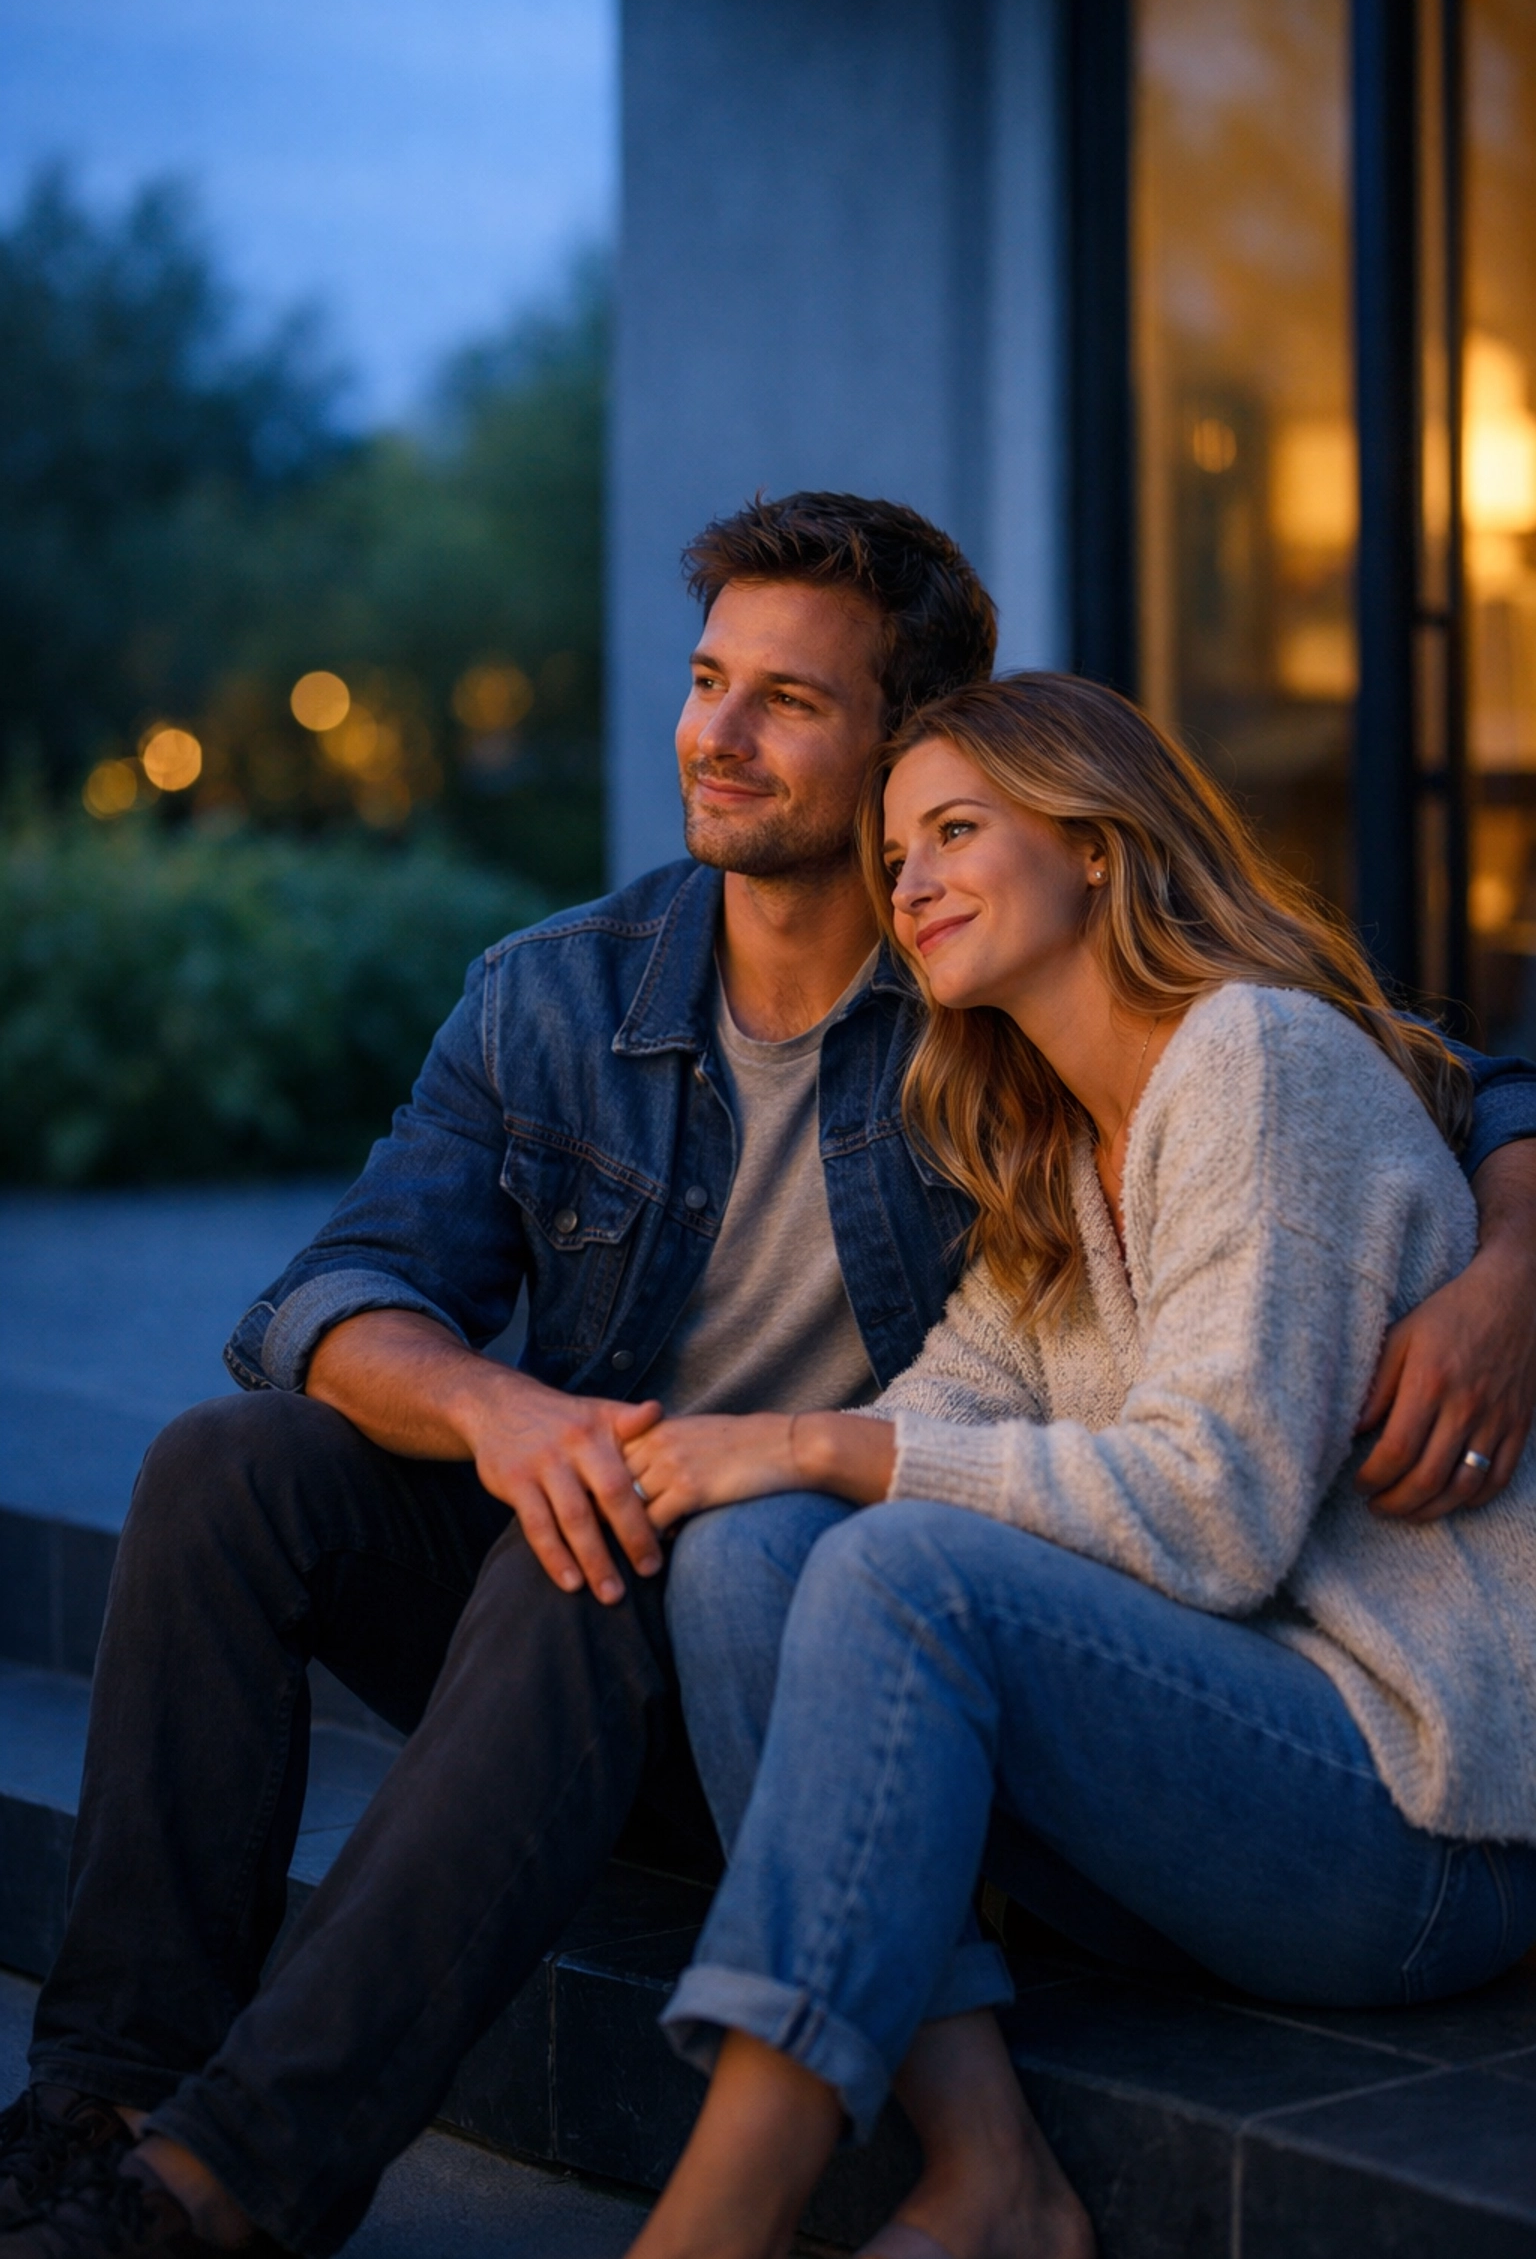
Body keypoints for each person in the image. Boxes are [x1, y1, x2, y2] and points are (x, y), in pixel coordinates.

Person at [1, 508, 1532, 2259]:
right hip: (714, 1585)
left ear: (921, 746)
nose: (715, 737)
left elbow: (1410, 1062)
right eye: (708, 682)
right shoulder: (594, 1003)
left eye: (788, 704)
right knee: (234, 1465)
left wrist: (1517, 1262)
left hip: (853, 1610)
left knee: (650, 1552)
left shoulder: (1002, 1012)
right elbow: (333, 1290)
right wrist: (511, 1416)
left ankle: (230, 2192)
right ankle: (101, 2106)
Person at [621, 674, 1536, 2259]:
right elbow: (938, 1418)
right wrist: (724, 1468)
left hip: (1418, 1823)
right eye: (897, 852)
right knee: (752, 1544)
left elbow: (1213, 1509)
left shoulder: (1258, 1060)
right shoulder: (1053, 1151)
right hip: (1204, 1786)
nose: (908, 885)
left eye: (958, 831)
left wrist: (806, 1437)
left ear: (1099, 845)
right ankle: (993, 2178)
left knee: (876, 1542)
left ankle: (717, 2217)